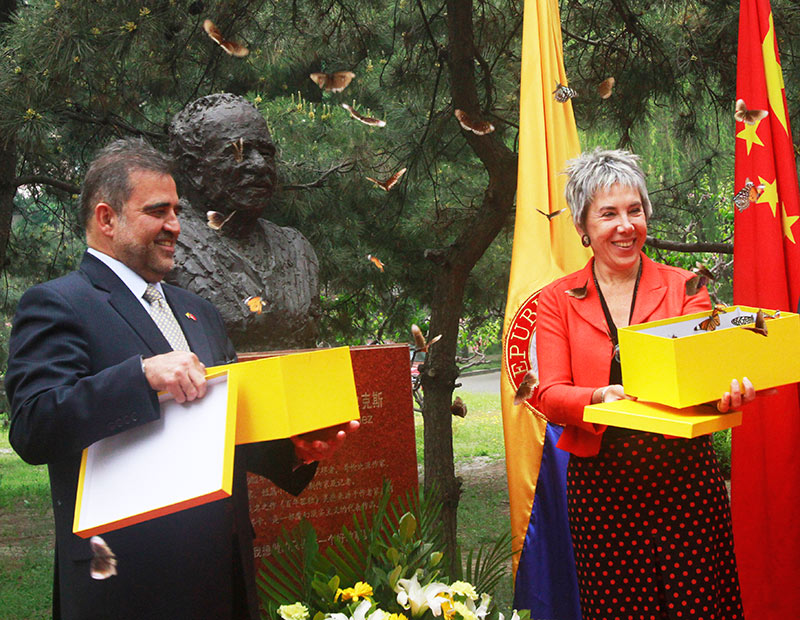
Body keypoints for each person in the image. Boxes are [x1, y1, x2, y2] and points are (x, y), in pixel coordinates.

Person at [5, 138, 358, 620]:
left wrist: (295, 451)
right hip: (126, 583)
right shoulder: (58, 304)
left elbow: (222, 427)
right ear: (107, 219)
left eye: (176, 210)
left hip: (221, 574)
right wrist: (141, 375)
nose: (176, 225)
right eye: (158, 211)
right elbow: (33, 425)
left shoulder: (199, 312)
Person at [536, 148, 751, 619]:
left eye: (635, 210)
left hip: (686, 489)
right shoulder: (556, 300)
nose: (625, 225)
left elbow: (703, 376)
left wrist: (725, 393)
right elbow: (549, 395)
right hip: (602, 495)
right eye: (608, 214)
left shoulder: (687, 286)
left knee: (700, 608)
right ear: (582, 228)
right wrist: (596, 396)